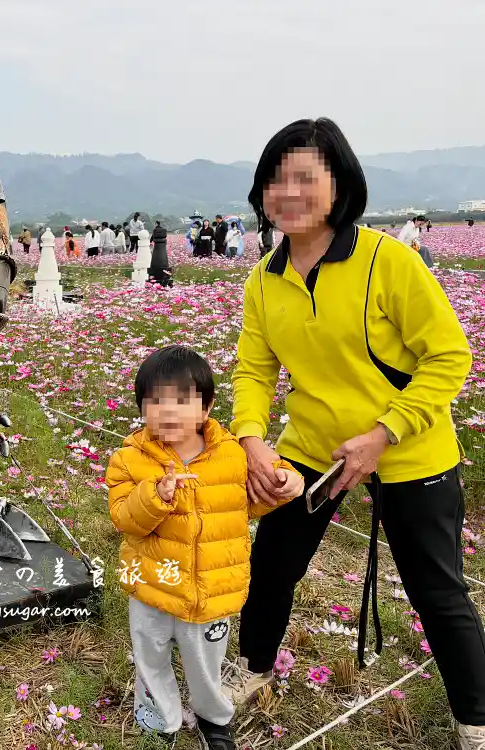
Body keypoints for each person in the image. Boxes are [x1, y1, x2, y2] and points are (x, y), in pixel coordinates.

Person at [226, 118, 484, 750]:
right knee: (273, 563)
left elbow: (449, 356)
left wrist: (383, 433)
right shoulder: (265, 278)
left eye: (304, 179)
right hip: (313, 447)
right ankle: (255, 669)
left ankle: (475, 719)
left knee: (436, 591)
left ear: (339, 189)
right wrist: (253, 440)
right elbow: (254, 370)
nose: (287, 192)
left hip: (408, 450)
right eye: (274, 180)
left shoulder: (386, 260)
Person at [107, 345, 303, 750]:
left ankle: (214, 719)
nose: (169, 411)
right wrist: (155, 496)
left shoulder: (231, 455)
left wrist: (285, 482)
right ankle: (160, 714)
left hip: (212, 589)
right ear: (142, 408)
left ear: (208, 405)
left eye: (182, 400)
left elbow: (250, 501)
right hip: (152, 587)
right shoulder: (129, 460)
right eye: (155, 401)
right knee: (151, 655)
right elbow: (125, 519)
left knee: (205, 664)